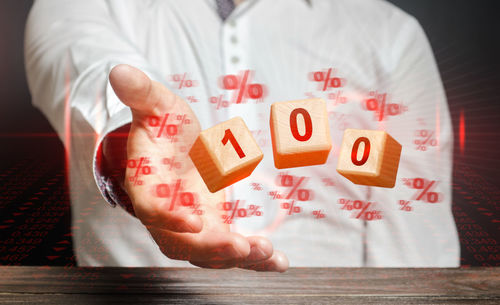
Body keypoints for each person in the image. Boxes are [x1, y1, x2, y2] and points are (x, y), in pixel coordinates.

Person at [24, 0, 459, 270]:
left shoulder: (389, 36)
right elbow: (88, 67)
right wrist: (131, 141)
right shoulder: (82, 5)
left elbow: (415, 250)